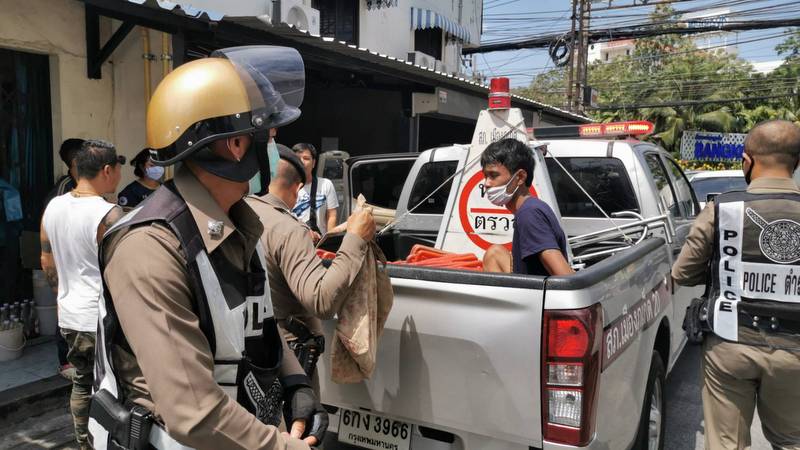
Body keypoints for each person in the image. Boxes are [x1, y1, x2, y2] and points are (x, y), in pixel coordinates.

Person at [90, 46, 325, 450]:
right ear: (235, 144)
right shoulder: (150, 248)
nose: (273, 143)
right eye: (267, 133)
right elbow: (193, 411)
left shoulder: (237, 223)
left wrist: (295, 382)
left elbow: (257, 321)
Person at [673, 120, 800, 450]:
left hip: (730, 342)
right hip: (795, 352)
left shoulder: (723, 208)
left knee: (726, 444)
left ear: (748, 161)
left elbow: (683, 273)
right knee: (791, 441)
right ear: (796, 162)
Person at [246, 147, 375, 390]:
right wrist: (356, 239)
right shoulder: (288, 229)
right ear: (297, 189)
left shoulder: (238, 215)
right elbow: (321, 300)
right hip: (286, 369)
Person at [40, 139, 125, 450]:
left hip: (71, 313)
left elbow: (46, 260)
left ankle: (82, 442)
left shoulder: (54, 206)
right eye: (118, 168)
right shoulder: (109, 215)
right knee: (115, 387)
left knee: (81, 381)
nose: (119, 174)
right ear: (106, 170)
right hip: (101, 318)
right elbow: (123, 271)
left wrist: (61, 296)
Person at [480, 139, 573, 276]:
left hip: (534, 297)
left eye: (493, 175)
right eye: (485, 176)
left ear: (520, 177)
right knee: (494, 253)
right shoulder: (533, 206)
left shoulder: (529, 214)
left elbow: (566, 279)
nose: (486, 183)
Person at [43, 138, 85, 380]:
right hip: (66, 261)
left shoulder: (86, 184)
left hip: (81, 261)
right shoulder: (64, 190)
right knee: (66, 307)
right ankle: (65, 360)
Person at [292, 143, 339, 237]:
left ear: (313, 163)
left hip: (319, 242)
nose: (302, 162)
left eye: (306, 158)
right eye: (298, 158)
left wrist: (329, 240)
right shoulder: (285, 186)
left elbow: (332, 215)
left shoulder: (326, 184)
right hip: (294, 240)